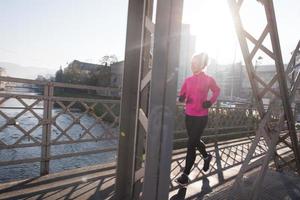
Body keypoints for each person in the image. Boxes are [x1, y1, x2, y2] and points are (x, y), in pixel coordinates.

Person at [176, 53, 220, 186]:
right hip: (189, 116)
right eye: (191, 63)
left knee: (190, 144)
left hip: (201, 117)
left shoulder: (208, 79)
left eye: (195, 63)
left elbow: (217, 90)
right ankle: (207, 157)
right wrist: (182, 98)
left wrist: (210, 102)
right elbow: (182, 94)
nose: (192, 65)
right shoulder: (188, 80)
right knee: (194, 141)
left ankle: (185, 175)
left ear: (202, 64)